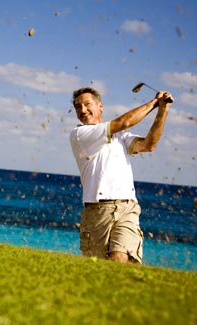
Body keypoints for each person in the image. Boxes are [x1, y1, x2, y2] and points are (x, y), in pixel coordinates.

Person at [69, 86, 173, 263]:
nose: (83, 110)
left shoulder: (121, 137)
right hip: (97, 212)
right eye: (78, 107)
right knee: (100, 271)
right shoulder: (80, 134)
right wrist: (154, 102)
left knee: (121, 258)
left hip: (127, 208)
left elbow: (148, 145)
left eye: (87, 104)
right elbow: (124, 122)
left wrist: (163, 110)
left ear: (100, 106)